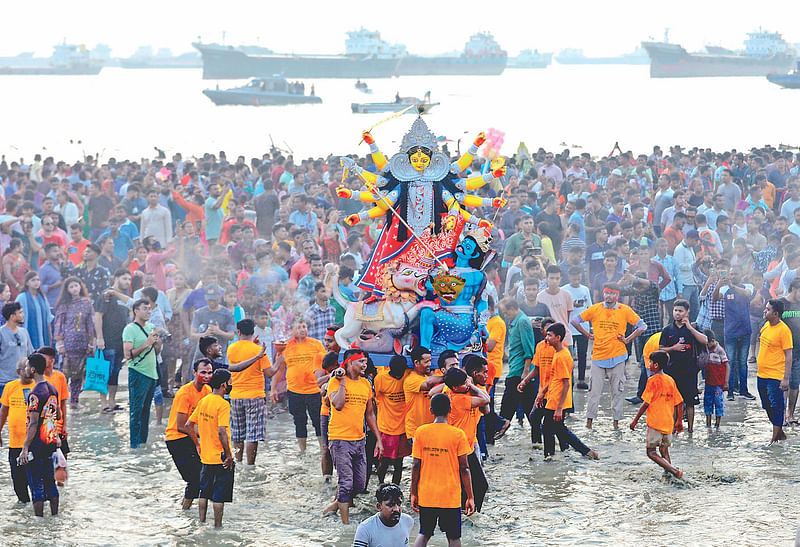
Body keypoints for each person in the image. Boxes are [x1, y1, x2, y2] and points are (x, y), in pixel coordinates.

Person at [572, 283, 646, 429]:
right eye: (606, 293)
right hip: (598, 356)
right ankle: (589, 423)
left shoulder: (624, 310)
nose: (608, 296)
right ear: (603, 294)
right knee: (593, 392)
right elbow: (575, 320)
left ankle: (616, 423)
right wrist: (587, 334)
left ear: (617, 295)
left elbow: (642, 326)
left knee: (617, 391)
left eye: (612, 294)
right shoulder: (595, 309)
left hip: (618, 356)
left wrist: (627, 340)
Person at [326, 349, 383, 524]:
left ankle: (334, 506)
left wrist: (378, 440)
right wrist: (342, 382)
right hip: (340, 439)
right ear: (350, 363)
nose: (365, 365)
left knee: (359, 484)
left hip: (360, 439)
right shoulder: (335, 381)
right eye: (361, 362)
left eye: (365, 361)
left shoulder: (366, 384)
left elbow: (370, 414)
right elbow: (338, 404)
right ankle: (345, 525)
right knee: (346, 483)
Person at [410, 393, 474, 547]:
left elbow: (415, 465)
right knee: (453, 537)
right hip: (450, 496)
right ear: (450, 409)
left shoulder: (421, 432)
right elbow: (464, 468)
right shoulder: (458, 434)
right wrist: (470, 496)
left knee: (424, 533)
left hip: (427, 493)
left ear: (431, 410)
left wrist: (413, 492)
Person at [429, 366, 491, 511]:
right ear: (456, 387)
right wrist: (472, 386)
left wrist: (469, 386)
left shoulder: (456, 392)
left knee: (469, 486)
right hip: (460, 449)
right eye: (464, 383)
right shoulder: (459, 399)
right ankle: (468, 513)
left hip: (466, 446)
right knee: (479, 485)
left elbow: (486, 409)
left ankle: (466, 512)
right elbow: (486, 399)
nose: (467, 383)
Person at [536, 323, 598, 460]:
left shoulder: (563, 356)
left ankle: (553, 456)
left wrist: (559, 408)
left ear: (558, 338)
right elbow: (553, 378)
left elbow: (566, 384)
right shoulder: (558, 354)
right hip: (553, 398)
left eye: (550, 335)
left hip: (557, 400)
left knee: (552, 428)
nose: (547, 338)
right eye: (546, 335)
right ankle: (552, 456)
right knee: (555, 429)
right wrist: (542, 393)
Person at [227, 318, 281, 465]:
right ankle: (250, 466)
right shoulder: (258, 351)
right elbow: (269, 373)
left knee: (237, 433)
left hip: (236, 396)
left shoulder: (231, 348)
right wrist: (280, 360)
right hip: (255, 396)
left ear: (238, 332)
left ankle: (238, 462)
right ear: (253, 332)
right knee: (252, 435)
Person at [185, 368, 234, 528]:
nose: (231, 384)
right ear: (223, 385)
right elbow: (222, 431)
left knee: (204, 492)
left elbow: (189, 425)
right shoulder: (223, 404)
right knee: (219, 495)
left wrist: (198, 444)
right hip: (220, 457)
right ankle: (217, 527)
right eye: (230, 381)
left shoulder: (204, 401)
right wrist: (228, 455)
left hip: (206, 456)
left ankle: (202, 523)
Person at [270, 318, 326, 452]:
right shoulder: (285, 346)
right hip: (295, 391)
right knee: (299, 422)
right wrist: (273, 389)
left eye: (304, 326)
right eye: (299, 327)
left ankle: (323, 450)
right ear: (292, 330)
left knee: (318, 421)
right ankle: (303, 451)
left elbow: (324, 365)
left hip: (314, 390)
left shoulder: (316, 344)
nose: (302, 329)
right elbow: (279, 370)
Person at [629, 350, 685, 479]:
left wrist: (635, 420)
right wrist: (679, 421)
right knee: (664, 450)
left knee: (651, 452)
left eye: (650, 362)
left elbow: (645, 404)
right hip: (668, 423)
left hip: (655, 423)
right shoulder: (670, 380)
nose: (649, 364)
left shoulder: (652, 381)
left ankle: (674, 471)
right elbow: (679, 402)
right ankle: (670, 477)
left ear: (656, 365)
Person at [17, 353, 61, 517]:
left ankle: (39, 523)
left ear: (33, 369)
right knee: (50, 481)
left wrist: (25, 447)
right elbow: (59, 415)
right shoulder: (52, 389)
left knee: (35, 483)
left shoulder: (35, 394)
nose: (26, 368)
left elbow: (33, 423)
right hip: (49, 440)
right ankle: (55, 517)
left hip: (36, 443)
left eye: (28, 366)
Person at [165, 359, 212, 510]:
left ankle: (196, 513)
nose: (206, 376)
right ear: (194, 373)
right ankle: (185, 511)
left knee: (204, 477)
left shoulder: (208, 391)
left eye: (209, 373)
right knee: (195, 479)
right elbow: (180, 426)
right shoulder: (184, 393)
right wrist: (203, 434)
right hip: (177, 439)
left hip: (194, 437)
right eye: (203, 372)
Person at [660, 299, 708, 433]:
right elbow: (661, 349)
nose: (677, 313)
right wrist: (673, 348)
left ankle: (691, 431)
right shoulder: (667, 329)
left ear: (687, 312)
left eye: (680, 311)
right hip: (672, 370)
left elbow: (705, 340)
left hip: (690, 371)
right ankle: (674, 429)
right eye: (675, 310)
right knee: (674, 401)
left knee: (690, 402)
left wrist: (690, 328)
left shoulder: (694, 327)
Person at [123, 299, 162, 449]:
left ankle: (142, 444)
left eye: (150, 309)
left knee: (146, 412)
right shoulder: (130, 329)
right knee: (136, 411)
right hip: (138, 373)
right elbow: (128, 355)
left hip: (152, 374)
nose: (148, 311)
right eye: (145, 308)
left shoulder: (152, 327)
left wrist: (158, 344)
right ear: (136, 311)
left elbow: (156, 352)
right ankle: (134, 445)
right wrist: (146, 343)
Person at [495, 298, 537, 441]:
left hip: (519, 372)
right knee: (529, 408)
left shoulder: (522, 322)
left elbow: (528, 348)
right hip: (516, 369)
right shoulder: (515, 322)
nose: (505, 316)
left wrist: (525, 372)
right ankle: (539, 438)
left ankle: (496, 433)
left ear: (513, 308)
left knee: (508, 405)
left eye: (506, 313)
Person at [52, 276, 95, 408]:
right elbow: (58, 325)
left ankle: (74, 401)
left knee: (78, 373)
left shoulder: (86, 303)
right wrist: (59, 344)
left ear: (80, 287)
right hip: (67, 343)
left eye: (76, 285)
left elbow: (90, 324)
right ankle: (59, 401)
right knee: (64, 374)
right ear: (67, 290)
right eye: (71, 286)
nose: (74, 289)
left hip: (82, 343)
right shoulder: (63, 305)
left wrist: (91, 342)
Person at [95, 269, 132, 413]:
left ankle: (112, 402)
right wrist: (99, 337)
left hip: (120, 341)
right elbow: (98, 316)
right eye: (124, 278)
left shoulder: (124, 297)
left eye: (129, 279)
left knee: (116, 372)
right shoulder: (106, 296)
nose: (127, 282)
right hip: (107, 340)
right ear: (116, 278)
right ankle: (103, 403)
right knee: (105, 371)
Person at [757, 299, 793, 444]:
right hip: (761, 374)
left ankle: (774, 439)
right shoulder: (766, 325)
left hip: (775, 375)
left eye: (768, 309)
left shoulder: (784, 330)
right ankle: (780, 433)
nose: (764, 311)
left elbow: (789, 355)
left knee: (777, 406)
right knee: (766, 405)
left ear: (776, 313)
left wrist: (786, 378)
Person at [373, 355, 411, 486]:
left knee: (399, 463)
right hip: (386, 427)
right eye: (395, 374)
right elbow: (376, 398)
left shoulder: (408, 375)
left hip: (403, 427)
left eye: (400, 374)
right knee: (383, 461)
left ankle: (396, 487)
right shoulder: (381, 379)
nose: (398, 376)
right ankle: (381, 484)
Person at [0, 357, 34, 503]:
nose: (29, 370)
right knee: (18, 481)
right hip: (15, 443)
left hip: (35, 442)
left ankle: (38, 505)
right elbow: (3, 412)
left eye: (30, 367)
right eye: (25, 367)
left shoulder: (39, 386)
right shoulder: (10, 387)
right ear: (18, 371)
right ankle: (24, 505)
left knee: (36, 478)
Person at [353, 483, 414, 547]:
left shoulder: (408, 521)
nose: (396, 509)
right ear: (379, 506)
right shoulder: (365, 529)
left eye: (399, 504)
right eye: (390, 505)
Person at [404, 346, 444, 442]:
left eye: (430, 361)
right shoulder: (411, 380)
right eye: (426, 362)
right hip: (416, 431)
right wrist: (450, 378)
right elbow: (428, 384)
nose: (429, 364)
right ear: (416, 363)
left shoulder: (430, 376)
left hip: (432, 428)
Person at [0, 302, 34, 398]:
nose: (22, 315)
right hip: (4, 382)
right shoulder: (1, 333)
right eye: (20, 312)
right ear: (12, 316)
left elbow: (30, 354)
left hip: (23, 381)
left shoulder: (24, 332)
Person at [15, 271, 53, 350]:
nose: (36, 282)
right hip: (26, 334)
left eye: (38, 280)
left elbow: (48, 319)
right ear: (27, 283)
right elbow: (16, 319)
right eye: (33, 280)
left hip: (43, 334)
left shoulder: (42, 297)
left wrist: (50, 336)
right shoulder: (22, 297)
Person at [703, 330, 730, 428]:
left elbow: (727, 365)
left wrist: (726, 382)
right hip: (708, 382)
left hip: (718, 383)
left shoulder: (720, 350)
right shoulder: (706, 349)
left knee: (718, 403)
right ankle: (708, 424)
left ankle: (717, 424)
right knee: (707, 402)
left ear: (712, 341)